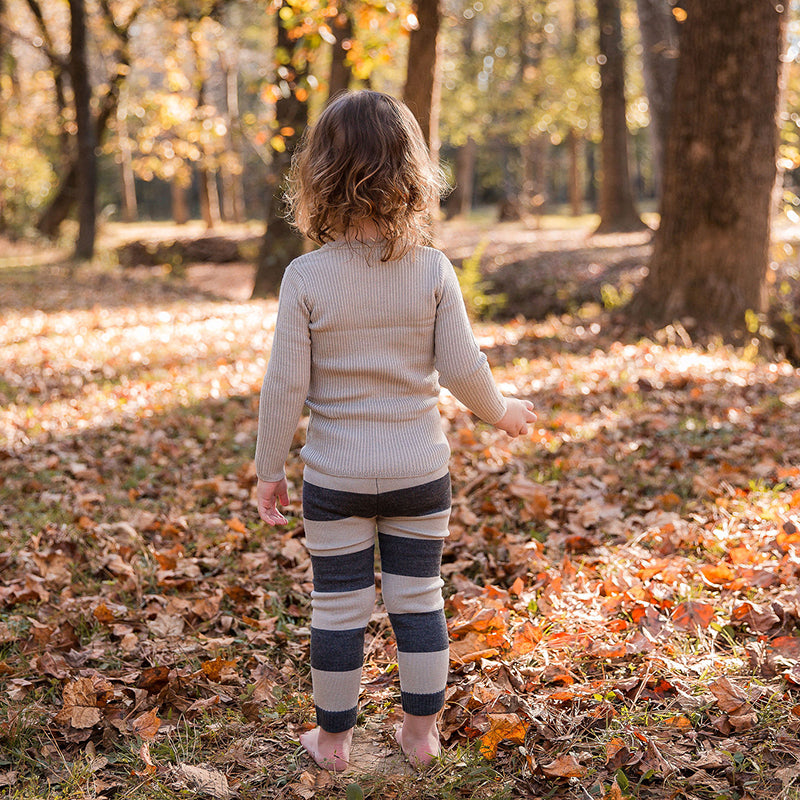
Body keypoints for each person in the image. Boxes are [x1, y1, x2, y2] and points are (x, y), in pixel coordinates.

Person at [254, 90, 536, 772]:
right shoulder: (433, 270)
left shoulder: (306, 277)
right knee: (418, 601)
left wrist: (269, 469)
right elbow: (462, 369)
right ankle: (419, 732)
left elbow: (285, 385)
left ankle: (334, 741)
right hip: (418, 474)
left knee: (338, 610)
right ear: (412, 175)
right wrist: (502, 412)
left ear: (319, 176)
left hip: (335, 476)